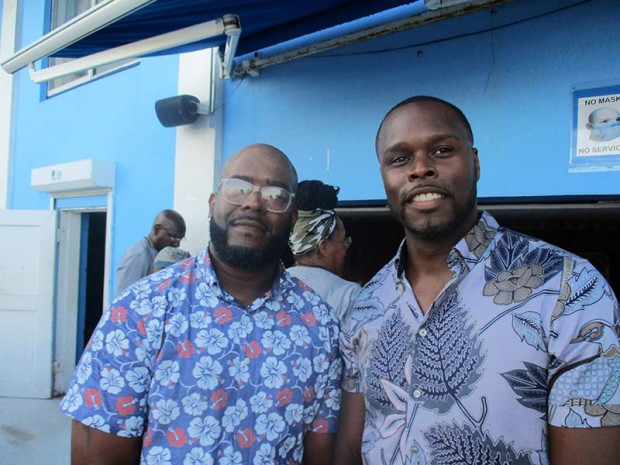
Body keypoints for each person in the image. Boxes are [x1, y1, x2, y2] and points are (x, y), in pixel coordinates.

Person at [334, 96, 620, 465]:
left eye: (442, 150)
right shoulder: (366, 305)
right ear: (384, 176)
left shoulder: (569, 290)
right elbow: (350, 447)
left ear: (476, 163)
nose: (420, 169)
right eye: (400, 159)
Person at [61, 143, 341, 465]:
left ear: (291, 219)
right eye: (238, 187)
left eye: (274, 195)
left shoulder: (320, 324)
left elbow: (320, 454)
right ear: (212, 204)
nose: (253, 203)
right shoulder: (138, 311)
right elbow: (97, 455)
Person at [288, 180, 362, 323]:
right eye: (344, 241)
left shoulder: (268, 286)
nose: (346, 250)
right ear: (324, 247)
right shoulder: (349, 295)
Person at [114, 209, 186, 296]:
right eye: (173, 238)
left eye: (180, 239)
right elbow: (125, 298)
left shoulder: (160, 254)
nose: (177, 245)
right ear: (157, 230)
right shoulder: (139, 255)